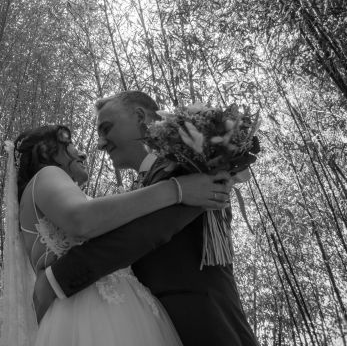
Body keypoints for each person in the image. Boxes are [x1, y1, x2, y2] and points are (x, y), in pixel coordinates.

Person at [34, 92, 260, 346]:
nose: (100, 143)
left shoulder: (192, 167)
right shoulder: (140, 194)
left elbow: (144, 234)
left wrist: (58, 279)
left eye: (106, 129)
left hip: (207, 327)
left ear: (140, 117)